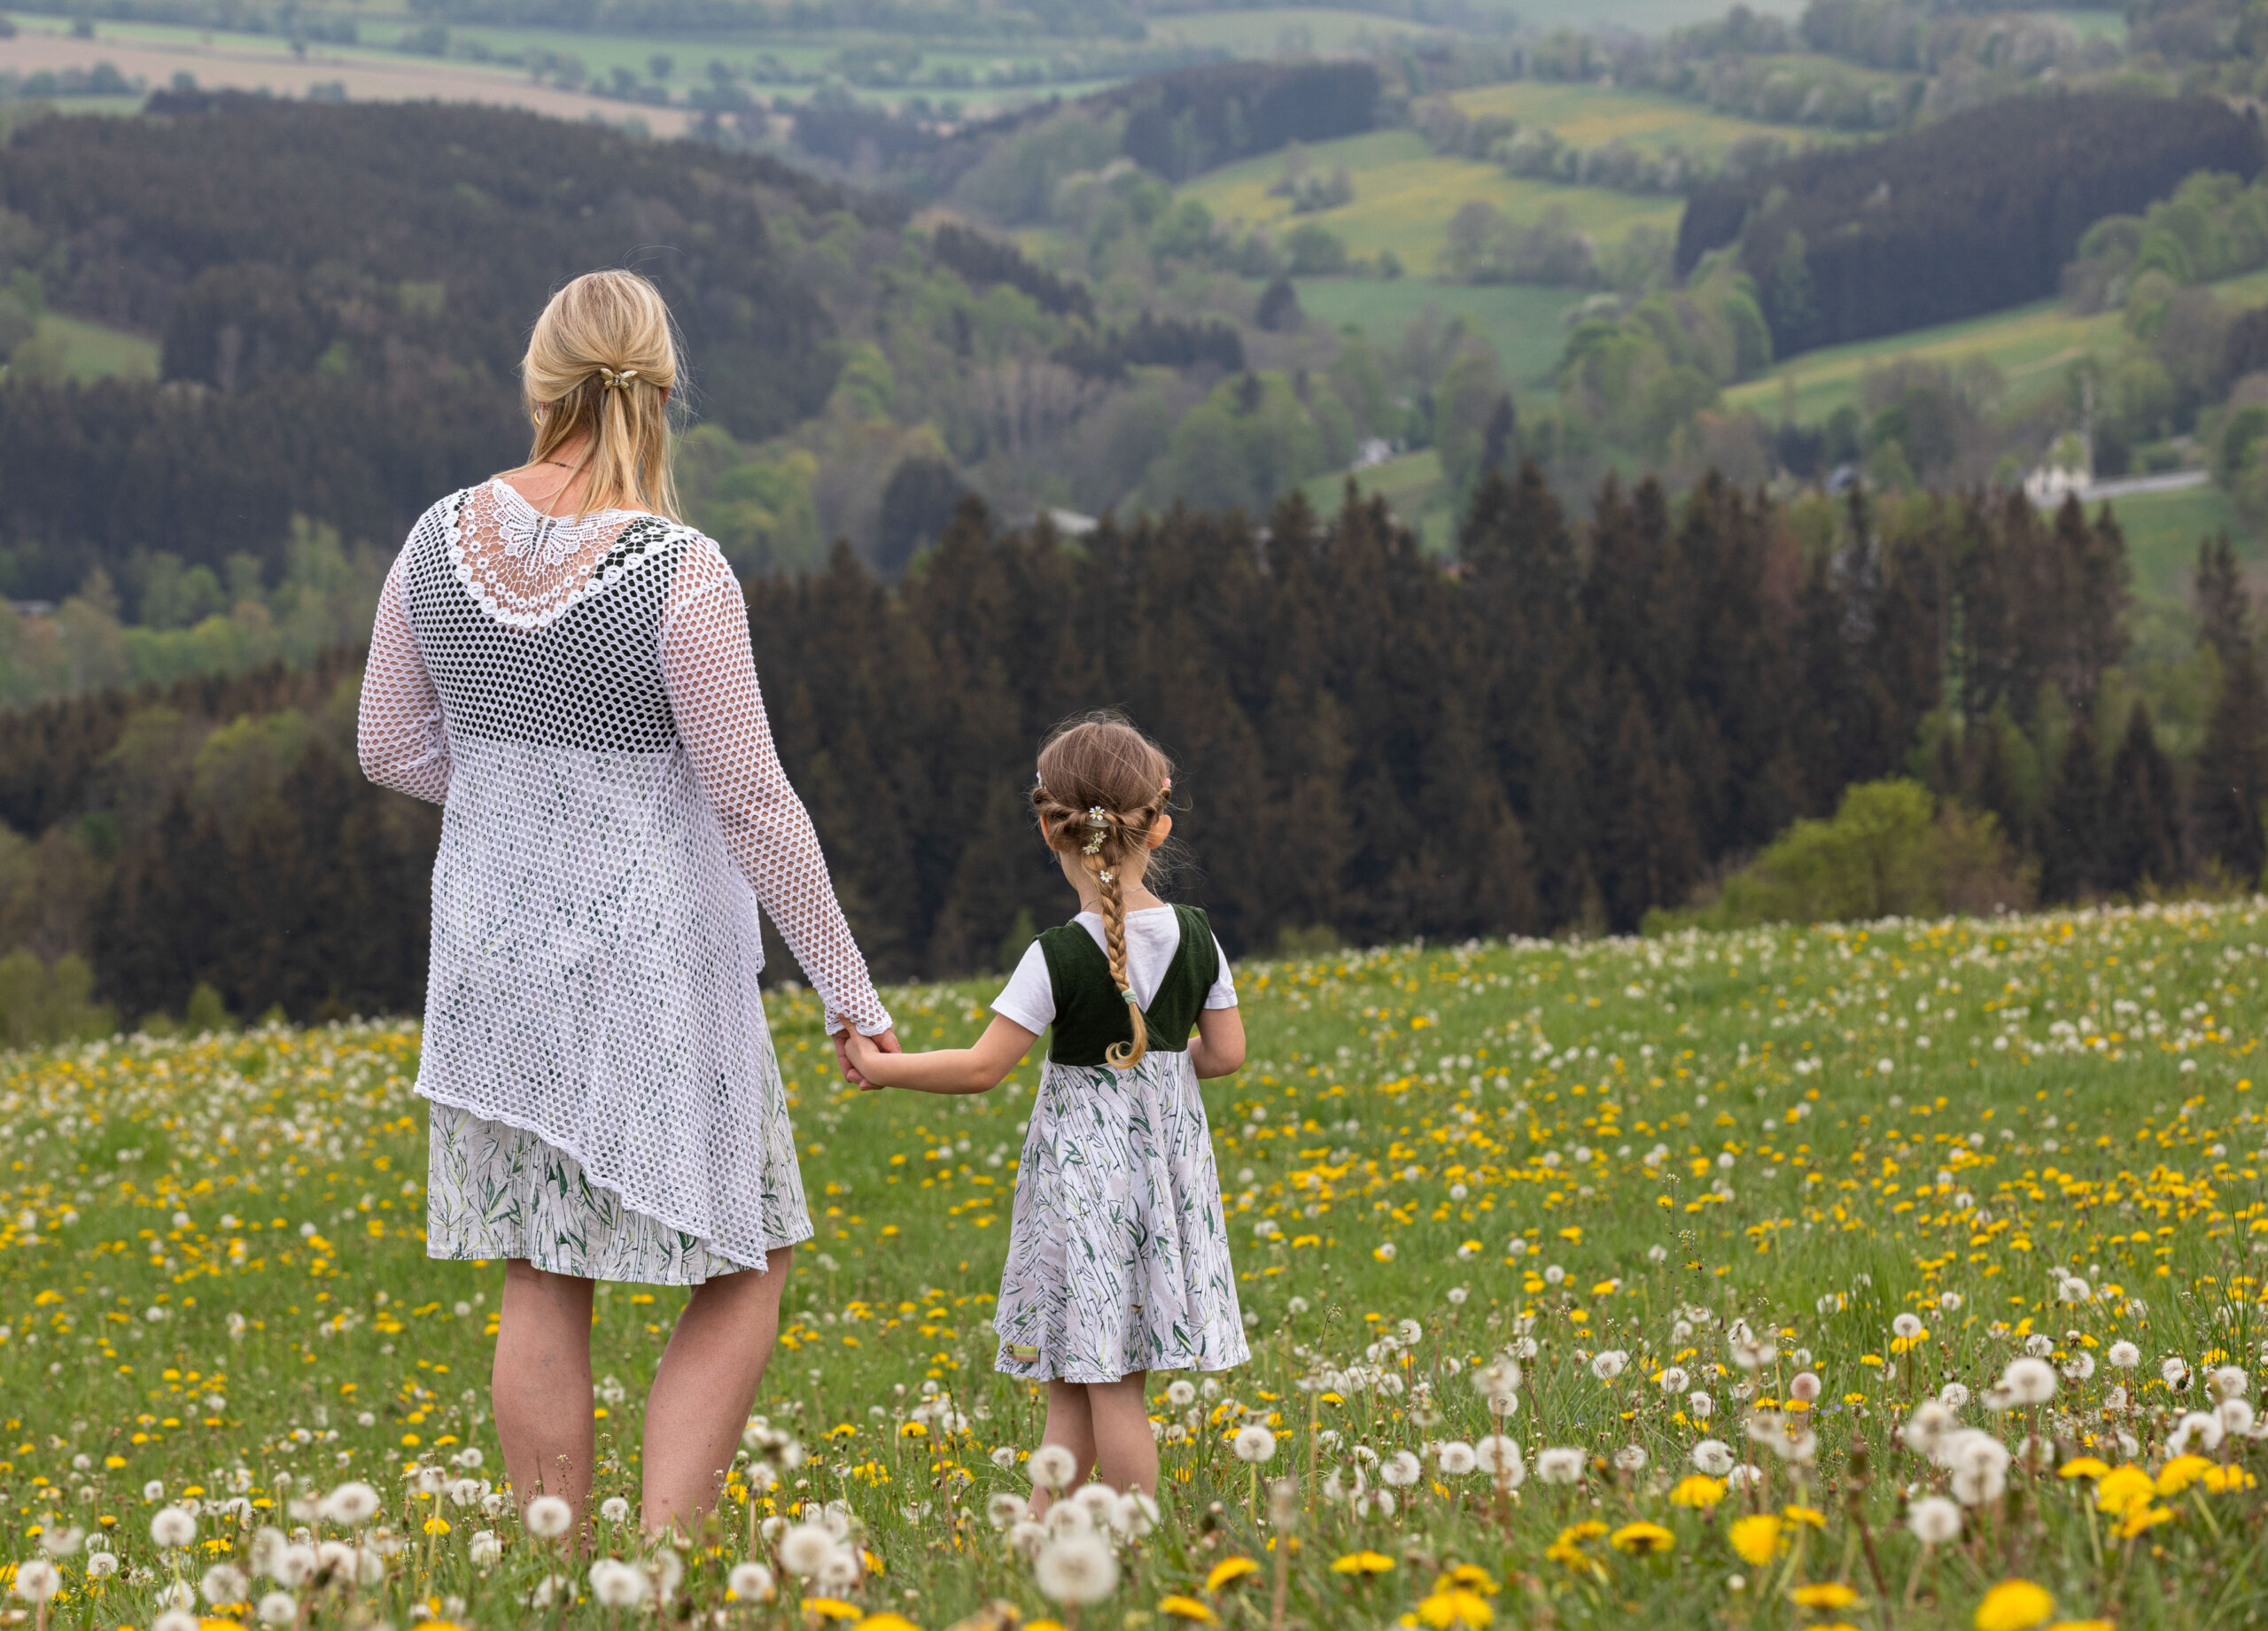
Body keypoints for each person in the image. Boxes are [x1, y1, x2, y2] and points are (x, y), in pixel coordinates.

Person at [357, 268, 900, 1535]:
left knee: (540, 1263)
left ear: (540, 382)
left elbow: (389, 745)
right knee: (748, 1252)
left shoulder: (435, 538)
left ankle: (558, 1567)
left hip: (494, 957)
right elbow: (754, 802)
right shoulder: (679, 568)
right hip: (651, 957)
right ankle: (660, 1559)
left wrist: (516, 807)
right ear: (665, 391)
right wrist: (851, 995)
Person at [844, 713, 1247, 1503]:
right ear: (1159, 825)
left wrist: (882, 1068)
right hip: (1160, 1181)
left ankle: (1137, 1534)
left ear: (1049, 828)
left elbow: (981, 1066)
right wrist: (1160, 1076)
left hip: (1084, 1189)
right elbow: (1227, 1053)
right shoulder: (1198, 935)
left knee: (1109, 1384)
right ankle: (1039, 1533)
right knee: (1081, 1374)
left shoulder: (1058, 952)